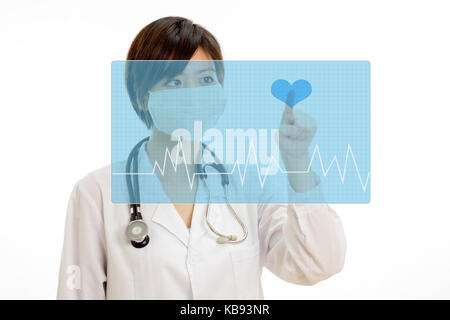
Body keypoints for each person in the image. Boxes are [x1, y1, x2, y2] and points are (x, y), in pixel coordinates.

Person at [57, 16, 346, 300]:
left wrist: (298, 162)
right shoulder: (97, 192)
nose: (193, 96)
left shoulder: (250, 184)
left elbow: (317, 264)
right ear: (143, 96)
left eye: (206, 79)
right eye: (173, 82)